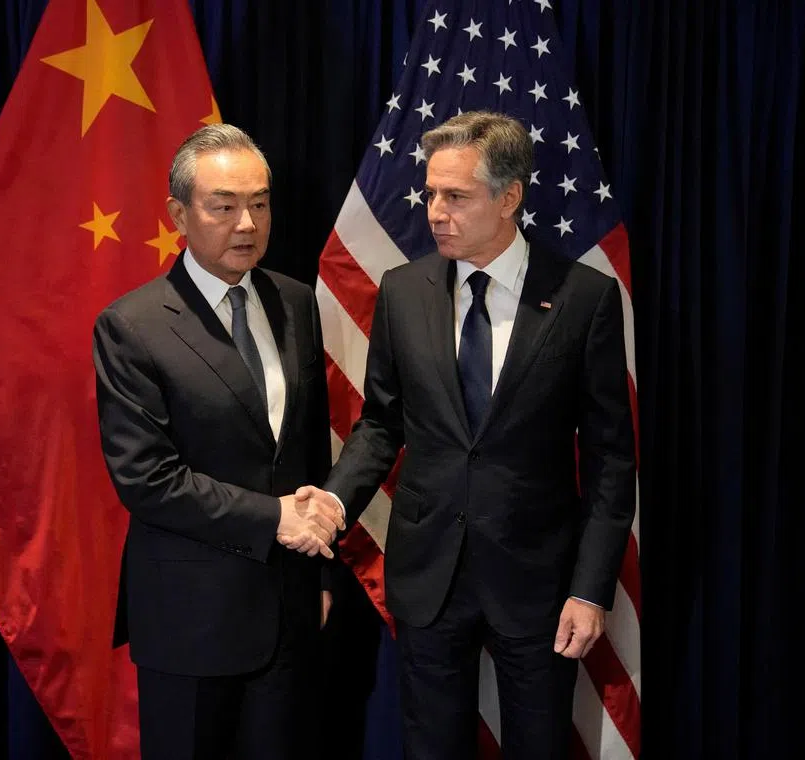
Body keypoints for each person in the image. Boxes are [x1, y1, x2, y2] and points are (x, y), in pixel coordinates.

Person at [290, 111, 636, 759]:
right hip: (430, 575)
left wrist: (589, 589)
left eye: (456, 196)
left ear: (509, 198)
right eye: (430, 194)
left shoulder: (583, 297)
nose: (436, 211)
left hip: (537, 580)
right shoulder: (402, 291)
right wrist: (335, 503)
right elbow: (381, 425)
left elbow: (611, 461)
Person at [93, 123, 343, 760]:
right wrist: (277, 518)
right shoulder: (132, 326)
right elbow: (147, 480)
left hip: (289, 614)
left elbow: (305, 449)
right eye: (224, 206)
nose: (246, 223)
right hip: (190, 622)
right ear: (179, 214)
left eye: (259, 204)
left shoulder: (296, 301)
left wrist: (318, 574)